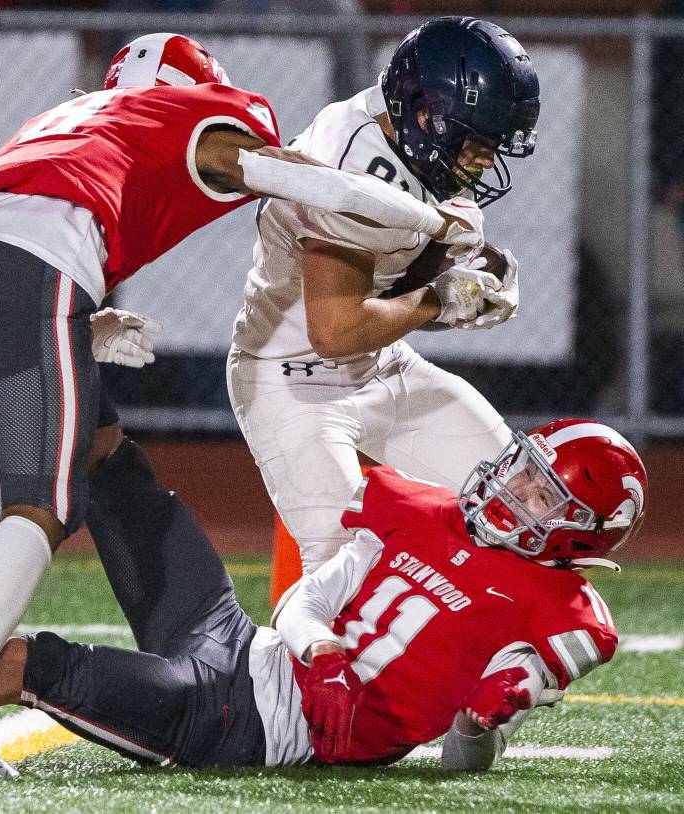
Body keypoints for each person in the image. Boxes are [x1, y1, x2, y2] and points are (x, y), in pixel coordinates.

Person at [0, 31, 489, 776]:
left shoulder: (74, 117)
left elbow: (23, 214)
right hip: (38, 263)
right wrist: (434, 223)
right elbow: (320, 185)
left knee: (67, 436)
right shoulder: (200, 115)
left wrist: (79, 326)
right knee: (49, 499)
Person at [0, 419, 647, 772]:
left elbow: (464, 752)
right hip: (246, 644)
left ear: (577, 531)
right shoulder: (429, 512)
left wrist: (488, 724)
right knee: (96, 436)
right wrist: (306, 623)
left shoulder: (559, 618)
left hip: (248, 724)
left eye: (540, 493)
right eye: (520, 468)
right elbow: (328, 586)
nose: (509, 488)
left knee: (12, 666)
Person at [227, 16, 541, 579]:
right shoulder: (353, 162)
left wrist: (472, 284)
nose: (483, 161)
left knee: (519, 502)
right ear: (427, 110)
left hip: (379, 366)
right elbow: (335, 330)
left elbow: (394, 298)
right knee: (344, 581)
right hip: (293, 378)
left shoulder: (418, 146)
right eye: (476, 142)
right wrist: (443, 301)